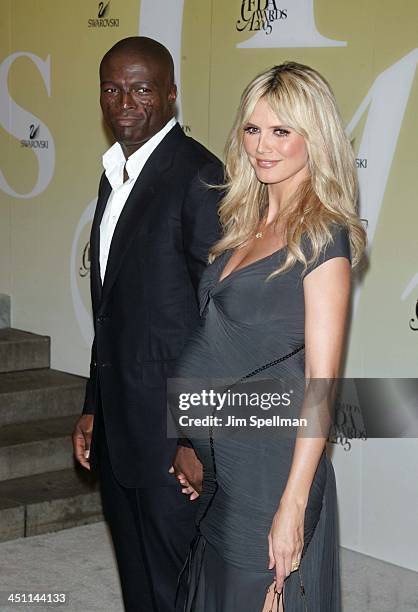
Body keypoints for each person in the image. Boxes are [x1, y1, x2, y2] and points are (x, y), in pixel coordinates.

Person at [172, 62, 366, 611]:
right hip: (222, 468)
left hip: (268, 476)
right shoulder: (245, 223)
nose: (263, 145)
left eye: (282, 131)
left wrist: (292, 508)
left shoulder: (322, 237)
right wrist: (194, 440)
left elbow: (321, 387)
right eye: (253, 129)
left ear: (315, 138)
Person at [72, 36, 223, 612]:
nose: (125, 103)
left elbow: (216, 317)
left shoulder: (199, 176)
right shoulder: (115, 174)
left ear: (171, 95)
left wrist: (193, 436)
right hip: (118, 422)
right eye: (112, 89)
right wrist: (93, 405)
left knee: (179, 583)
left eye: (141, 89)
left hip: (170, 432)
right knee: (138, 579)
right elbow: (111, 311)